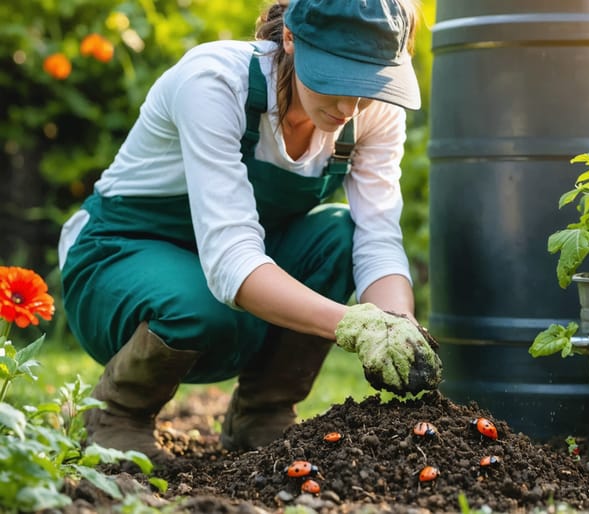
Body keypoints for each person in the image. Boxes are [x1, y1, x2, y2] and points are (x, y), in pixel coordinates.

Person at [57, 0, 441, 463]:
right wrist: (352, 324)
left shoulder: (373, 111)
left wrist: (395, 327)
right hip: (117, 260)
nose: (350, 106)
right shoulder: (214, 83)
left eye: (368, 84)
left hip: (234, 276)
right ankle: (116, 416)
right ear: (292, 40)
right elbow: (230, 260)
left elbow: (376, 237)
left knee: (340, 235)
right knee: (195, 303)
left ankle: (261, 413)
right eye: (335, 79)